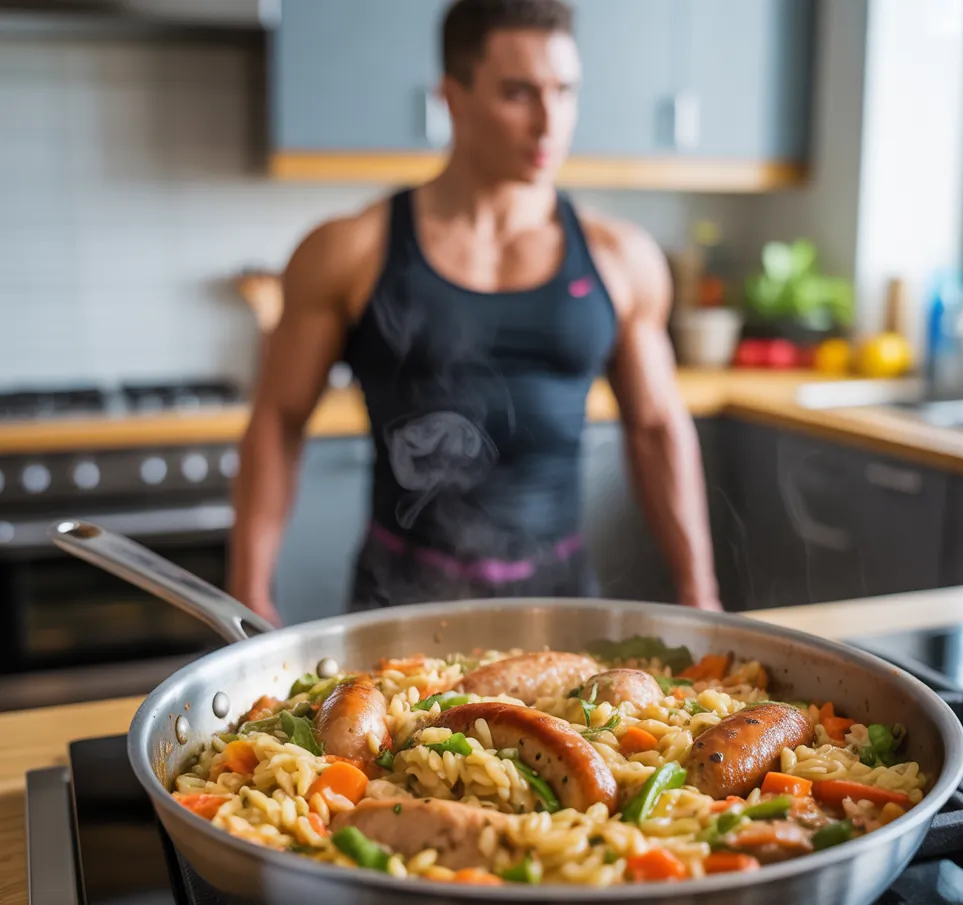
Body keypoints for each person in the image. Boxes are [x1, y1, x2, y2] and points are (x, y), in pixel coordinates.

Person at [228, 0, 720, 623]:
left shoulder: (621, 258)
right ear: (451, 98)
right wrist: (247, 593)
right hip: (399, 602)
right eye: (518, 93)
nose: (549, 123)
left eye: (565, 91)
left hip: (561, 601)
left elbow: (655, 429)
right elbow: (277, 421)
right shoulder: (349, 251)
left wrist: (698, 591)